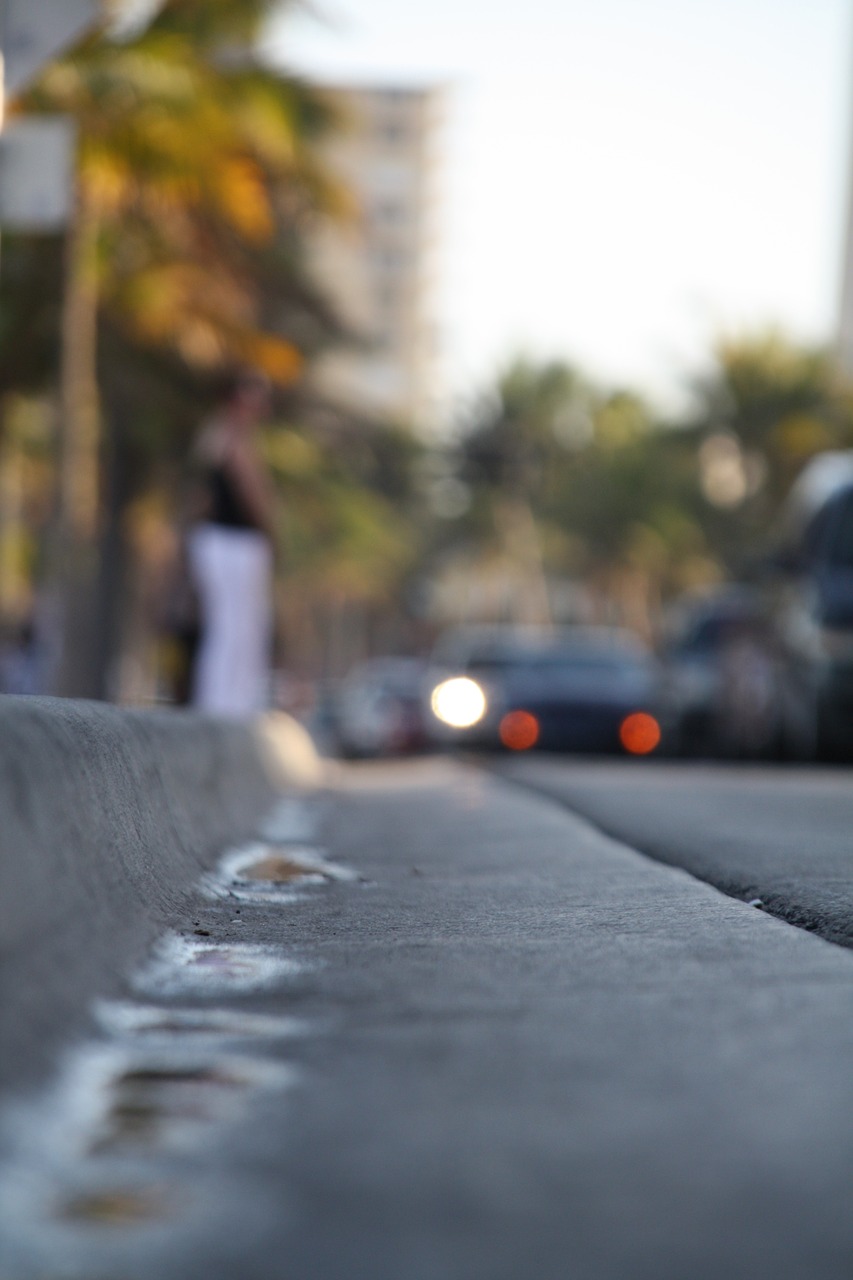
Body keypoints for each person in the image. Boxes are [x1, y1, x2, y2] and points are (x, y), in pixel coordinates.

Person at [187, 371, 277, 716]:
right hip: (231, 543)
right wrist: (272, 527)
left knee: (236, 625)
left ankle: (228, 703)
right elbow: (253, 493)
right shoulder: (231, 435)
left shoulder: (217, 434)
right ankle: (226, 706)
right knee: (235, 626)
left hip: (222, 542)